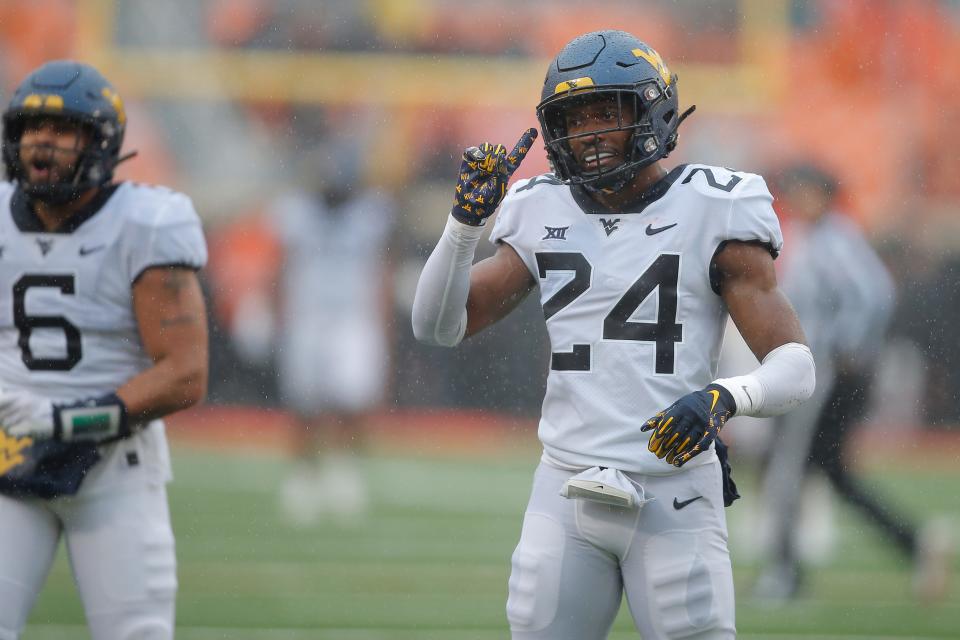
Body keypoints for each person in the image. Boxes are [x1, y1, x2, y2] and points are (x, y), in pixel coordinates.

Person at [412, 30, 816, 639]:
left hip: (675, 494)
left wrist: (726, 397)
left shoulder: (714, 205)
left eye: (606, 112)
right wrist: (463, 225)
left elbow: (796, 365)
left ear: (651, 112)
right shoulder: (541, 206)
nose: (589, 133)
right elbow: (438, 326)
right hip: (565, 489)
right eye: (573, 117)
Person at [0, 61, 208, 639]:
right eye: (31, 129)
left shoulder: (144, 223)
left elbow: (186, 374)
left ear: (102, 142)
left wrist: (64, 418)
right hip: (6, 456)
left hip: (113, 464)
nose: (42, 143)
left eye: (63, 130)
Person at [753, 163, 951, 602]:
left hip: (821, 375)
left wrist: (848, 349)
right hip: (819, 371)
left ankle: (783, 576)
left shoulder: (833, 239)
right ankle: (915, 543)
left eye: (803, 190)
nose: (797, 199)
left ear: (823, 193)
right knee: (832, 473)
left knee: (786, 469)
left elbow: (874, 292)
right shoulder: (819, 237)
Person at [271, 140, 394, 525]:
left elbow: (383, 272)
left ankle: (344, 471)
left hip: (353, 319)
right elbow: (279, 267)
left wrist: (384, 321)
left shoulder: (370, 214)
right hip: (307, 317)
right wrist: (272, 311)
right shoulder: (296, 213)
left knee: (352, 401)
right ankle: (303, 475)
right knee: (304, 404)